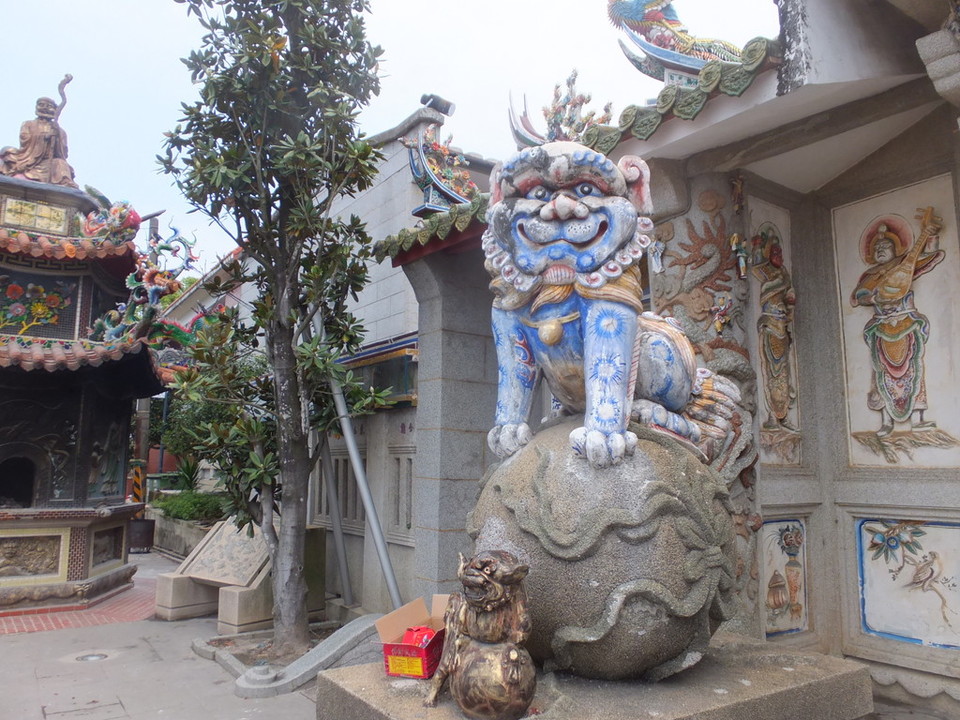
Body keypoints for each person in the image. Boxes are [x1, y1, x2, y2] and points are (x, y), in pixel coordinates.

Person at [851, 211, 944, 436]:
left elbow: (930, 256)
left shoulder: (905, 264)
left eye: (886, 246)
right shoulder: (870, 275)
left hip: (906, 325)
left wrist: (931, 234)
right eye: (876, 248)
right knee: (881, 373)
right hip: (881, 329)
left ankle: (918, 418)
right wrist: (873, 298)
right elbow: (858, 297)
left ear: (896, 248)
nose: (880, 250)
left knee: (914, 370)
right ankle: (886, 421)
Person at [0, 83, 77, 188]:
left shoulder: (60, 131)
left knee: (61, 164)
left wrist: (56, 138)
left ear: (54, 110)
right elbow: (25, 140)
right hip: (28, 158)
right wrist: (44, 138)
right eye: (41, 105)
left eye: (49, 106)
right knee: (7, 150)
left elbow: (62, 153)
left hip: (48, 162)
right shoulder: (28, 124)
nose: (44, 108)